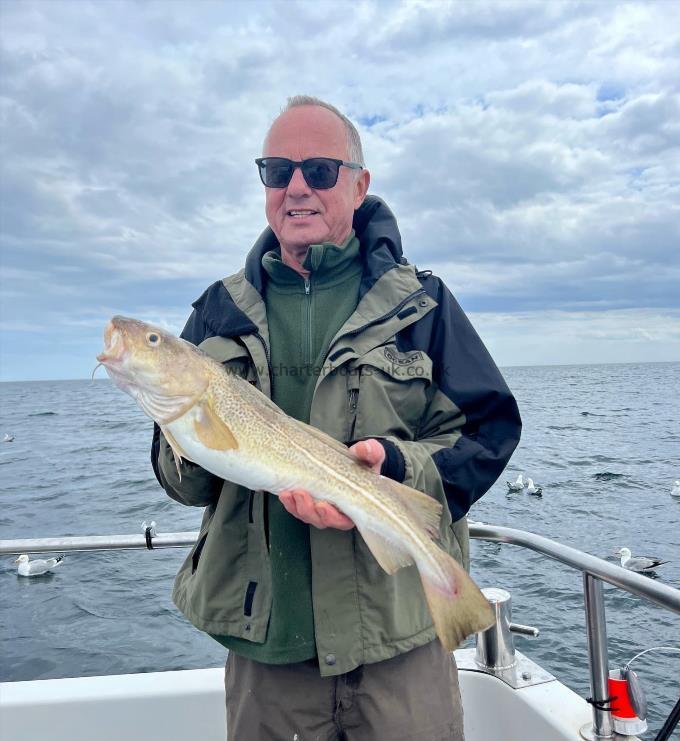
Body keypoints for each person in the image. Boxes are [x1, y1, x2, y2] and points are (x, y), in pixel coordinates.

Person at [151, 95, 521, 740]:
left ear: (359, 183)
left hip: (397, 639)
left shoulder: (420, 303)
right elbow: (187, 486)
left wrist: (397, 465)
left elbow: (488, 432)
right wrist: (175, 429)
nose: (297, 187)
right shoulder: (217, 312)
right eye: (276, 170)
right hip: (269, 642)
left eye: (319, 170)